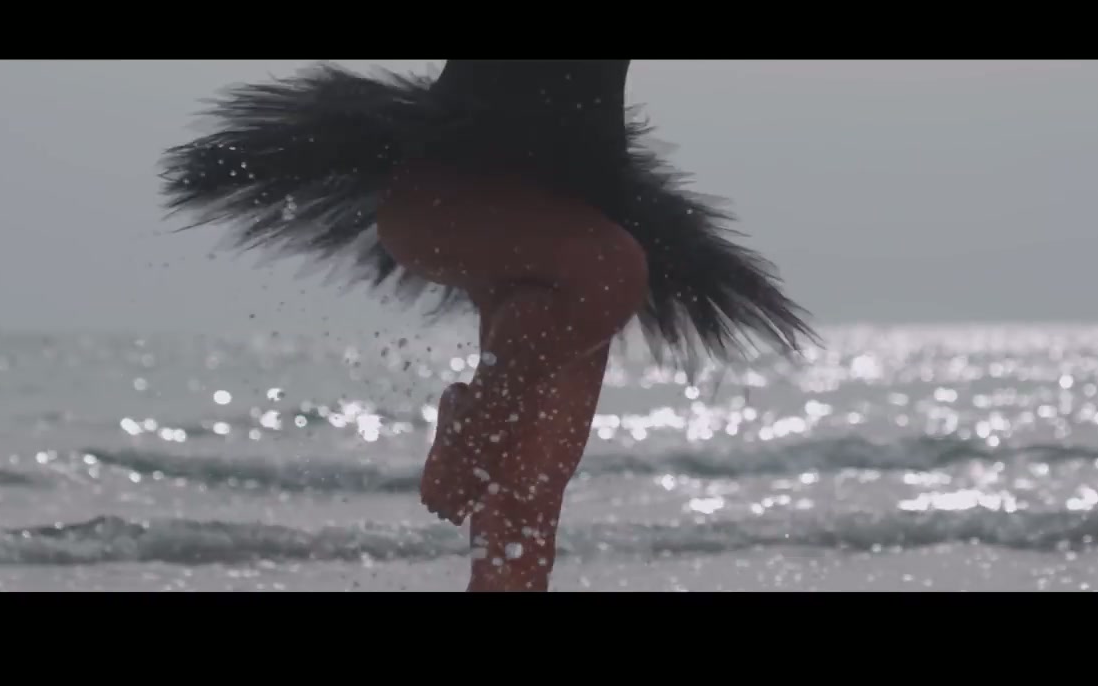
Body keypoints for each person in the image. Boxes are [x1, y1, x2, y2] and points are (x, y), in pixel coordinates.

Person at [160, 59, 816, 591]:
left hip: (573, 208)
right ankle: (476, 423)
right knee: (611, 270)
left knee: (529, 506)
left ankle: (487, 448)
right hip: (453, 187)